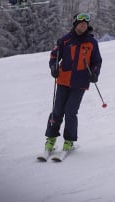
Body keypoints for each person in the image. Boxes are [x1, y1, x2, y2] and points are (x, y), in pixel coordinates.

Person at [44, 13, 102, 152]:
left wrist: (94, 73)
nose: (84, 25)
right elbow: (54, 56)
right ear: (75, 24)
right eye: (81, 23)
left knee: (70, 111)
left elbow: (97, 61)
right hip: (63, 80)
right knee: (57, 110)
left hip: (80, 82)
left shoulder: (91, 42)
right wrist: (54, 68)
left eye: (85, 24)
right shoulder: (64, 40)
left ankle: (69, 141)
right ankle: (51, 139)